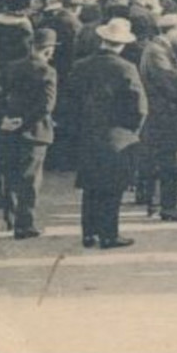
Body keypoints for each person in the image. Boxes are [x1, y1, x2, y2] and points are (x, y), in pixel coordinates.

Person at [66, 17, 147, 250]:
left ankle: (88, 234)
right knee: (112, 188)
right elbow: (140, 107)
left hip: (88, 133)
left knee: (91, 186)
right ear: (122, 44)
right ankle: (109, 235)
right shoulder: (126, 68)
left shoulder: (81, 66)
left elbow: (69, 102)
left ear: (102, 39)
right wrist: (132, 130)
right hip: (117, 135)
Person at [0, 28, 58, 239]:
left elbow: (0, 96)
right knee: (30, 180)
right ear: (49, 50)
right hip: (35, 132)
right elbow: (46, 106)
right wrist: (24, 122)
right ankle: (25, 224)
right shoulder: (47, 71)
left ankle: (10, 219)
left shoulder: (11, 68)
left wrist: (6, 119)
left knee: (11, 175)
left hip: (9, 129)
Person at [139, 13, 177, 221]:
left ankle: (157, 204)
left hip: (162, 112)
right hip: (164, 113)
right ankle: (168, 206)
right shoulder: (157, 51)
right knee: (171, 159)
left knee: (162, 158)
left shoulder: (157, 48)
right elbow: (170, 82)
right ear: (172, 30)